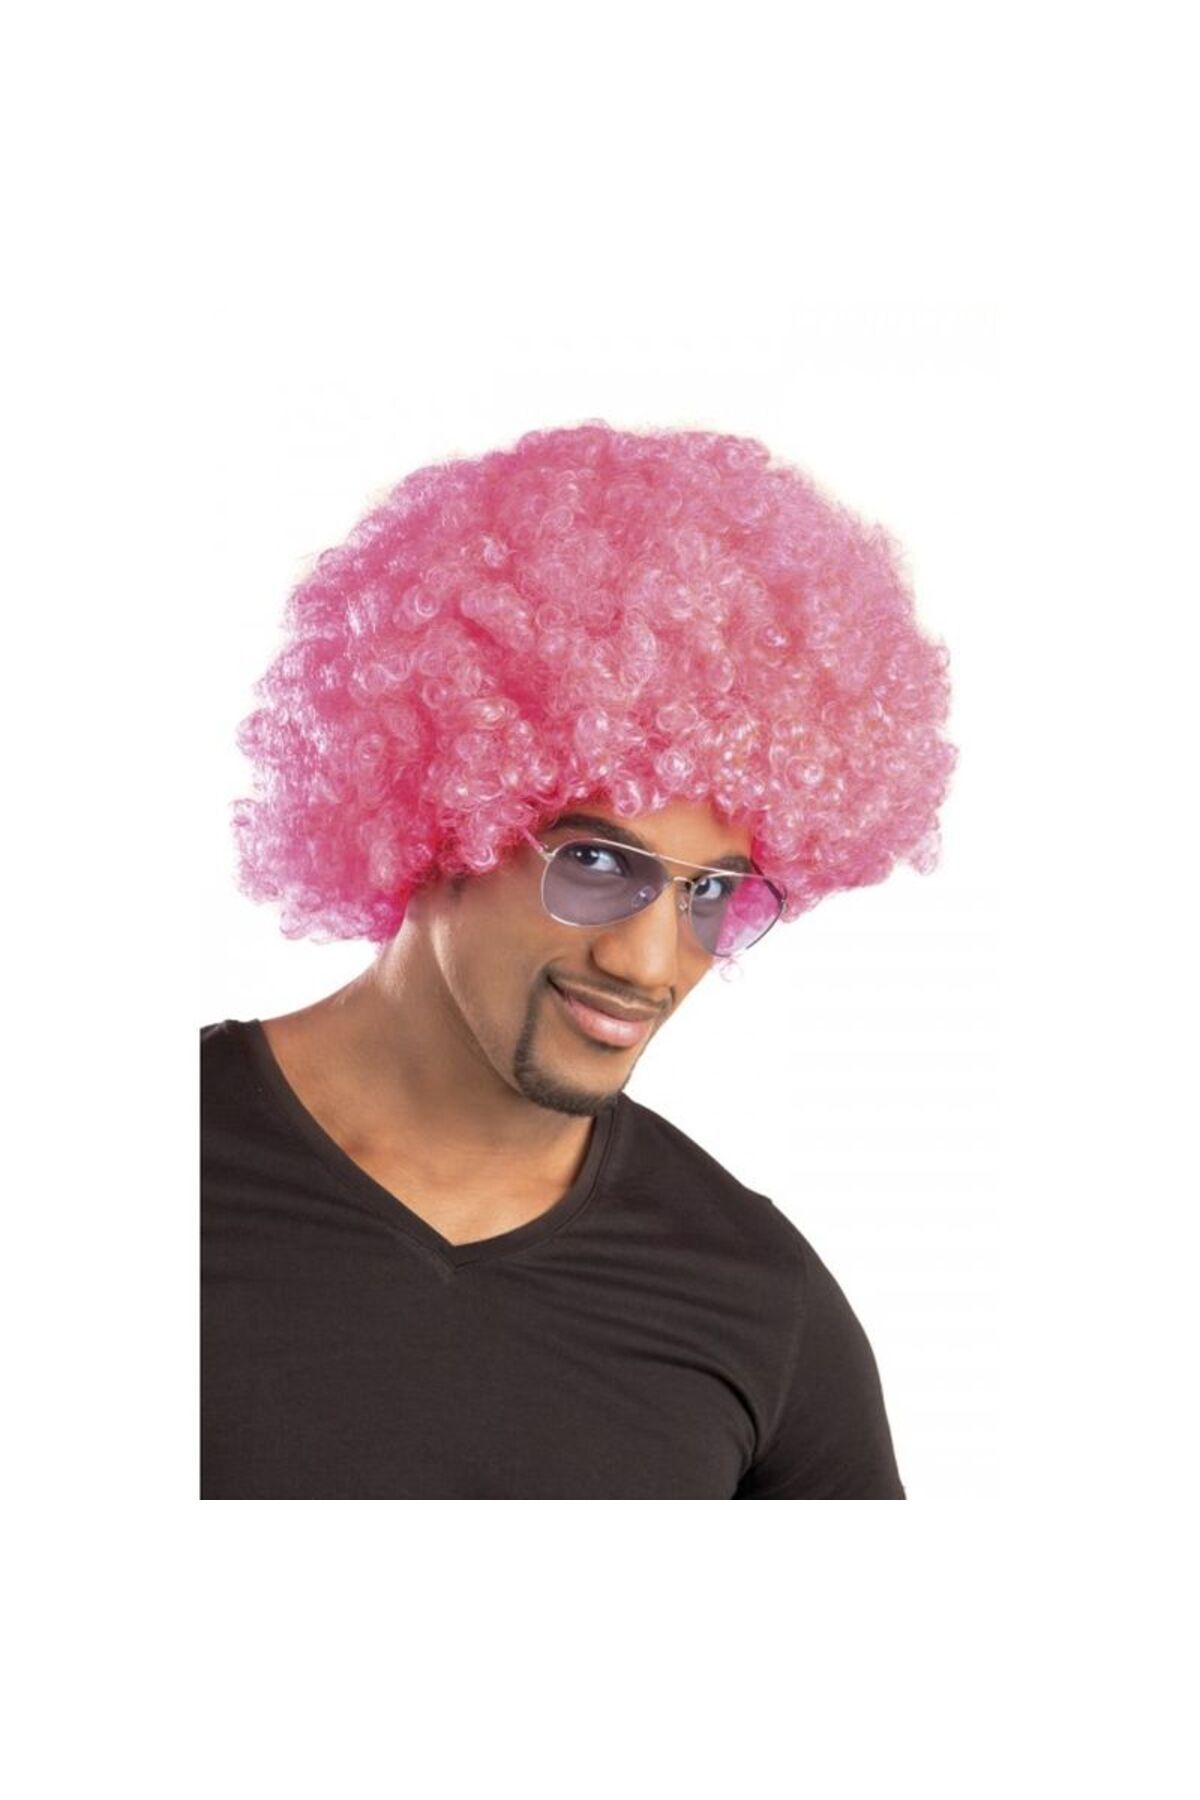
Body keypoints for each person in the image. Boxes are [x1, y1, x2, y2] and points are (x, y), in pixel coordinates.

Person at [202, 421, 957, 1499]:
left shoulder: (755, 1300)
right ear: (440, 820)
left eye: (710, 893)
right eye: (598, 861)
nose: (650, 962)